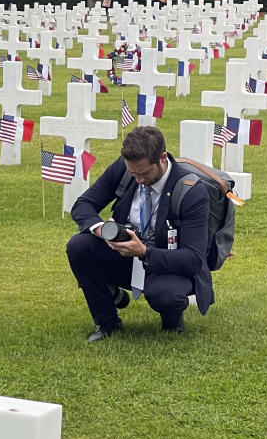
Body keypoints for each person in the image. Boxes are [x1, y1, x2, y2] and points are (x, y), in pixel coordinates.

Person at [66, 126, 213, 342]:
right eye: (134, 173)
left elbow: (193, 259)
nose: (139, 180)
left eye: (144, 173)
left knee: (166, 295)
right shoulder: (126, 170)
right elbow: (83, 205)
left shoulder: (191, 190)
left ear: (162, 158)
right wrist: (100, 229)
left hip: (169, 263)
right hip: (126, 255)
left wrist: (144, 252)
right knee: (79, 246)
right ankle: (107, 323)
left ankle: (172, 320)